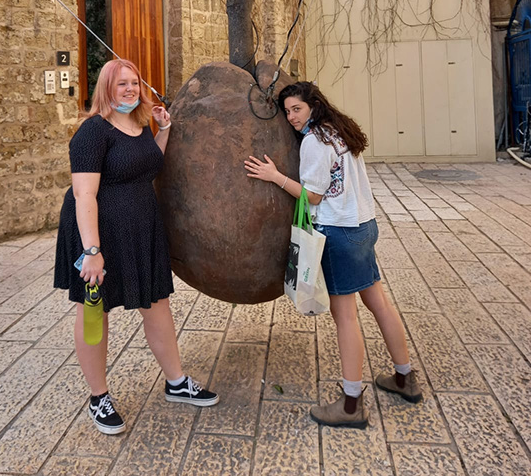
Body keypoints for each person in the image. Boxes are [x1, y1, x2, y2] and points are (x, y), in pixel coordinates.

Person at [54, 58, 218, 435]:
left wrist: (165, 129)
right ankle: (99, 397)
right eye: (121, 83)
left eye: (134, 83)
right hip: (99, 231)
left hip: (141, 227)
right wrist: (91, 251)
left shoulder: (139, 124)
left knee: (156, 302)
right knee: (94, 311)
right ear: (106, 89)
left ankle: (176, 381)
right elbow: (84, 195)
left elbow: (149, 164)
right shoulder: (92, 133)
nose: (129, 89)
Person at [244, 81, 421, 429]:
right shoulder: (340, 130)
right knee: (379, 304)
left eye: (297, 109)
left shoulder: (314, 141)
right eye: (288, 111)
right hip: (363, 226)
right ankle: (405, 378)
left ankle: (352, 404)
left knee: (346, 318)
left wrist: (274, 176)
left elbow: (311, 197)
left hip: (339, 233)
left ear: (313, 104)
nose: (292, 117)